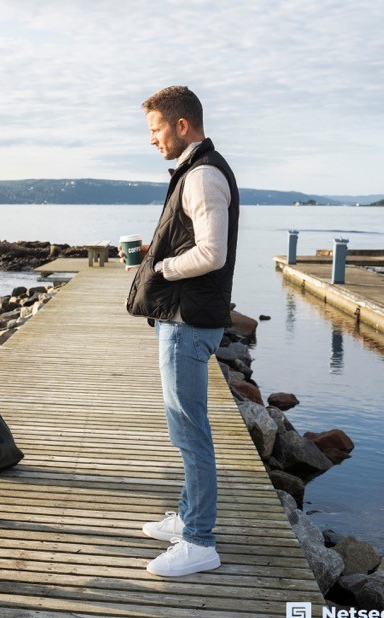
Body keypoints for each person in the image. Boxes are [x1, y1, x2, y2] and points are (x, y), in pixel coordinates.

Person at [124, 85, 240, 577]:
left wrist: (162, 268)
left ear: (182, 126)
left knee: (190, 434)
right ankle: (188, 517)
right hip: (185, 319)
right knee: (184, 430)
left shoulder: (202, 176)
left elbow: (211, 253)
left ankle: (200, 541)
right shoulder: (194, 172)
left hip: (188, 323)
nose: (152, 140)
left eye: (155, 130)